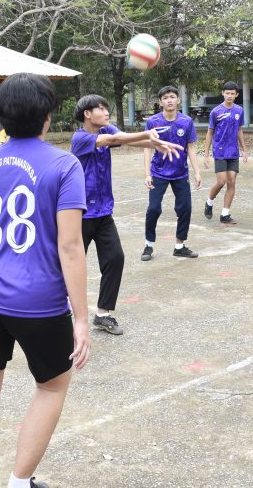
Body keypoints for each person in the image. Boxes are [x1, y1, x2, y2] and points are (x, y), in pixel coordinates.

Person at [0, 73, 91, 488]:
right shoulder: (64, 165)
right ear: (47, 117)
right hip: (37, 301)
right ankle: (18, 482)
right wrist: (82, 318)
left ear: (1, 118)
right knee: (52, 387)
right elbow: (70, 246)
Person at [70, 94, 182, 335]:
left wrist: (153, 144)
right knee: (71, 266)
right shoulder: (80, 138)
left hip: (103, 212)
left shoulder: (106, 129)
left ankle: (103, 314)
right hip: (80, 214)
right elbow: (114, 139)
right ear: (87, 114)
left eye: (106, 108)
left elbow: (125, 139)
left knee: (115, 258)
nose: (106, 112)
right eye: (101, 109)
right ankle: (58, 309)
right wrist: (148, 134)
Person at [141, 85, 201, 262]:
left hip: (180, 173)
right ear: (160, 102)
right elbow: (147, 148)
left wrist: (197, 172)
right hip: (158, 172)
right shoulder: (152, 122)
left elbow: (191, 147)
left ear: (178, 100)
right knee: (153, 209)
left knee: (185, 208)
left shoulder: (186, 122)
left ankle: (179, 246)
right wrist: (147, 174)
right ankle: (148, 244)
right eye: (165, 98)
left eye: (172, 97)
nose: (169, 100)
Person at [202, 81, 249, 225]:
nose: (229, 96)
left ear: (237, 95)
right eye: (227, 93)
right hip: (220, 151)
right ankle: (209, 202)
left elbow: (239, 130)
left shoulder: (239, 110)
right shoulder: (216, 112)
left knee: (232, 181)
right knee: (221, 181)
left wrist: (244, 149)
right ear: (223, 93)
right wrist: (206, 154)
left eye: (232, 93)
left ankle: (225, 214)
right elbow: (210, 132)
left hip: (233, 151)